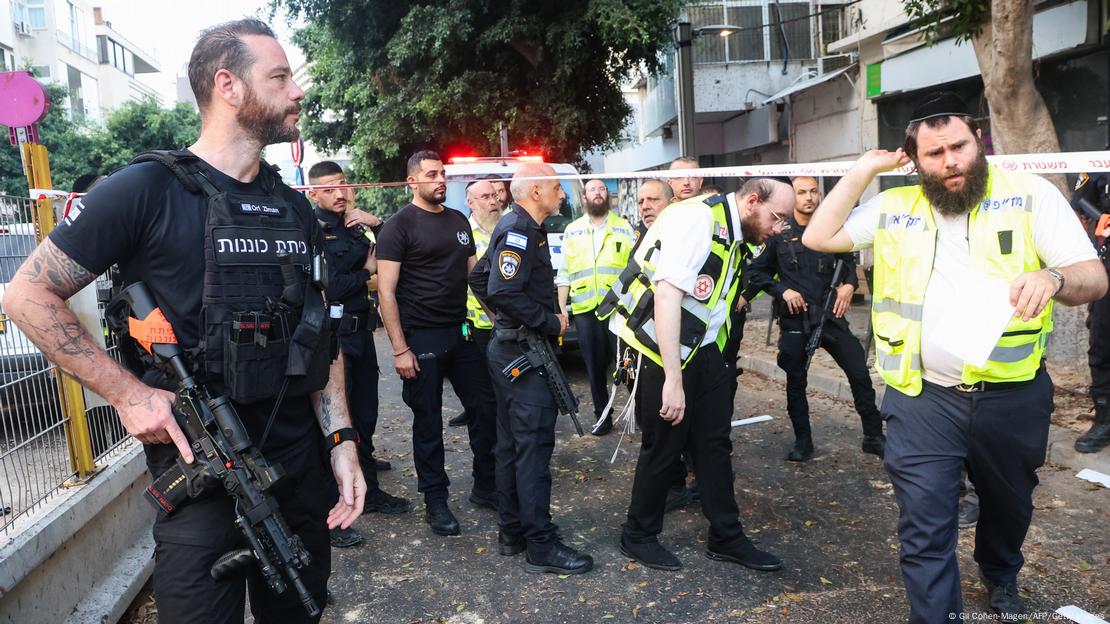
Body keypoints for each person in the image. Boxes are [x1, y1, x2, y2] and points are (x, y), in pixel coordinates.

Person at [2, 19, 365, 623]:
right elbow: (26, 294)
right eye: (279, 77)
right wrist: (128, 394)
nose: (296, 92)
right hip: (199, 465)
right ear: (228, 85)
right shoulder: (144, 189)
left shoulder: (295, 209)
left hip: (295, 462)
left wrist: (343, 441)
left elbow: (317, 337)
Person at [802, 91, 1107, 622]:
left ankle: (1000, 570)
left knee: (1009, 507)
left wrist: (1053, 276)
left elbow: (1094, 276)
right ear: (914, 160)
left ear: (978, 141)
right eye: (934, 154)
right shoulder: (896, 206)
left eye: (959, 147)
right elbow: (819, 235)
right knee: (924, 527)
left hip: (1011, 397)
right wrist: (862, 171)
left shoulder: (1030, 195)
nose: (950, 162)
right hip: (922, 400)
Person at [605, 176, 795, 572]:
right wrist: (673, 380)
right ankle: (637, 535)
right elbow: (668, 296)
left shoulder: (733, 229)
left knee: (714, 443)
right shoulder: (697, 220)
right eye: (777, 218)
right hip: (659, 350)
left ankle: (726, 536)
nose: (779, 230)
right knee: (664, 443)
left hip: (702, 350)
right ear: (752, 201)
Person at [477, 162, 594, 575]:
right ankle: (540, 544)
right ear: (535, 192)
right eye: (557, 188)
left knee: (511, 445)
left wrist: (507, 323)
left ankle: (512, 531)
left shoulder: (519, 227)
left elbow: (479, 279)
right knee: (532, 450)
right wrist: (547, 322)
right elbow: (499, 288)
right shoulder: (519, 230)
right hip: (523, 356)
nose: (562, 195)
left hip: (511, 350)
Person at [376, 150, 498, 536]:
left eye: (443, 173)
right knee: (427, 421)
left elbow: (475, 278)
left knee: (485, 406)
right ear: (412, 181)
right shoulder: (398, 227)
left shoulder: (459, 221)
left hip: (459, 333)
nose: (441, 180)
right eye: (432, 174)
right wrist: (400, 348)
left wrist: (501, 321)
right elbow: (386, 293)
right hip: (421, 339)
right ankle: (436, 500)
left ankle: (485, 485)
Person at [307, 160, 412, 549]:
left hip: (361, 336)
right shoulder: (313, 230)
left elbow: (384, 259)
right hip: (334, 342)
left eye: (343, 184)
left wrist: (377, 224)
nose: (340, 192)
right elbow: (329, 286)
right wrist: (363, 270)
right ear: (314, 193)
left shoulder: (354, 225)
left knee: (365, 414)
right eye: (330, 188)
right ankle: (332, 512)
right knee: (335, 425)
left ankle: (367, 487)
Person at [746, 176, 884, 461]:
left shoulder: (834, 229)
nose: (808, 197)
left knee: (859, 374)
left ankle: (873, 436)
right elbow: (757, 272)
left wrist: (849, 284)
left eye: (813, 191)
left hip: (831, 318)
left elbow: (848, 261)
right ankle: (803, 441)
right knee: (796, 383)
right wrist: (782, 291)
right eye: (801, 192)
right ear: (792, 197)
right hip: (797, 321)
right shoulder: (779, 234)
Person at [556, 179, 635, 435]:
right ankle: (603, 416)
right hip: (586, 310)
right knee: (594, 367)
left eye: (602, 189)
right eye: (592, 190)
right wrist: (562, 308)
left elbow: (635, 270)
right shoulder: (572, 230)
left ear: (608, 196)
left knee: (627, 364)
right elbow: (564, 272)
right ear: (585, 197)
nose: (598, 193)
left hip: (618, 309)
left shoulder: (624, 228)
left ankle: (640, 411)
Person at [449, 179, 503, 428]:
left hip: (508, 324)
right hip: (477, 327)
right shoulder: (462, 236)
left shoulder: (507, 229)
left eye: (494, 195)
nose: (493, 201)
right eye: (485, 197)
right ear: (470, 203)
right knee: (483, 397)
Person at [1073, 172, 1110, 453]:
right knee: (1102, 347)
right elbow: (1081, 203)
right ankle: (1105, 420)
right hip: (1106, 273)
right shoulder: (1100, 163)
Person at [633, 179, 672, 250]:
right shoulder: (639, 232)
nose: (644, 206)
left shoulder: (686, 236)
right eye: (640, 202)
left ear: (672, 203)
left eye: (653, 200)